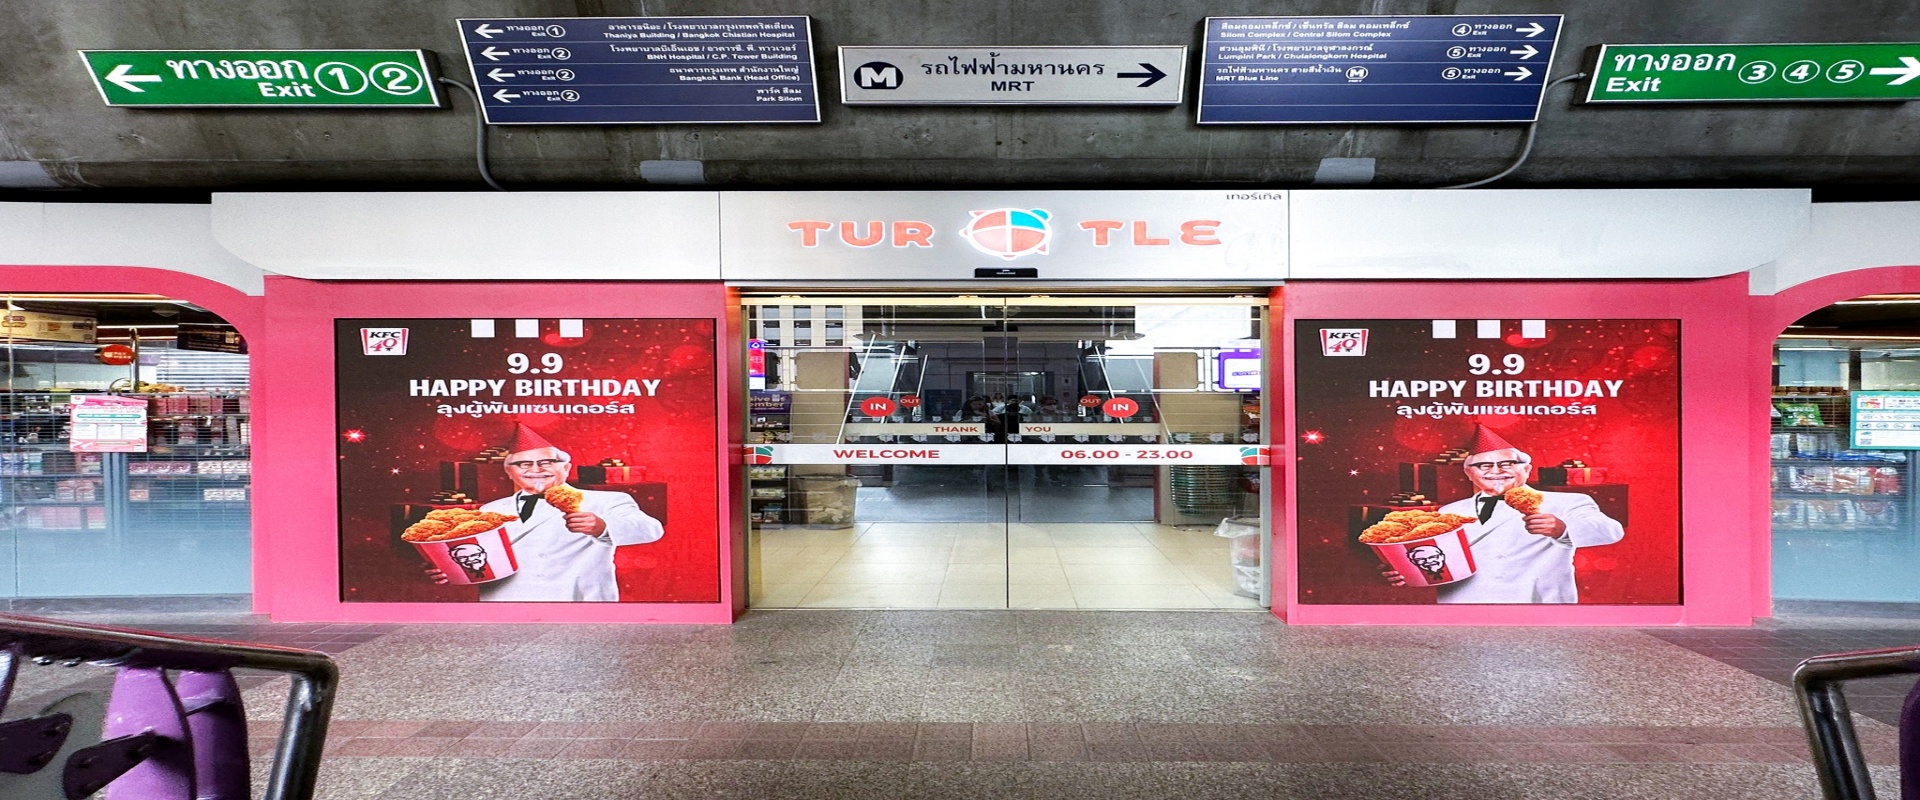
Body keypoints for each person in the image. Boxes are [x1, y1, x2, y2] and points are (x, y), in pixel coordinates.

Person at [1382, 424, 1623, 603]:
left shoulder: (1567, 502)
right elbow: (1439, 559)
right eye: (1483, 465)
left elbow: (1611, 531)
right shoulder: (1450, 511)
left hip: (1537, 605)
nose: (1496, 471)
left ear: (1527, 469)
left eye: (1507, 464)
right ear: (1469, 473)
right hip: (1463, 607)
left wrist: (1562, 529)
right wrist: (1408, 571)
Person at [425, 423, 663, 601]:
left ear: (566, 468)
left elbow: (651, 530)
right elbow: (480, 557)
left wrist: (602, 526)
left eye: (547, 462)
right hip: (504, 605)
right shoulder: (491, 509)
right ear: (509, 472)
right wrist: (451, 568)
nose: (536, 470)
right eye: (523, 464)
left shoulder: (605, 500)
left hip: (579, 604)